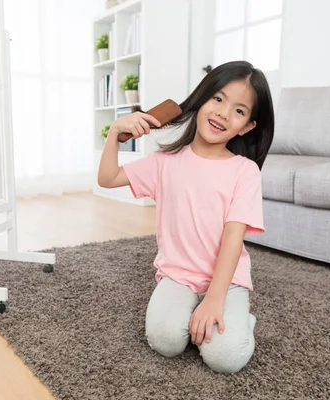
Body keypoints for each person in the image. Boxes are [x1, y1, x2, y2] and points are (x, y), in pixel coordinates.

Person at [97, 60, 274, 373]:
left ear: (247, 126)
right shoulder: (164, 162)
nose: (222, 113)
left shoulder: (245, 172)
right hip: (178, 275)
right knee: (165, 341)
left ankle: (239, 317)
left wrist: (214, 299)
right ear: (202, 98)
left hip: (226, 281)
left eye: (239, 110)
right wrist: (115, 132)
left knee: (225, 358)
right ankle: (192, 312)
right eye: (217, 99)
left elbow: (234, 238)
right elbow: (108, 178)